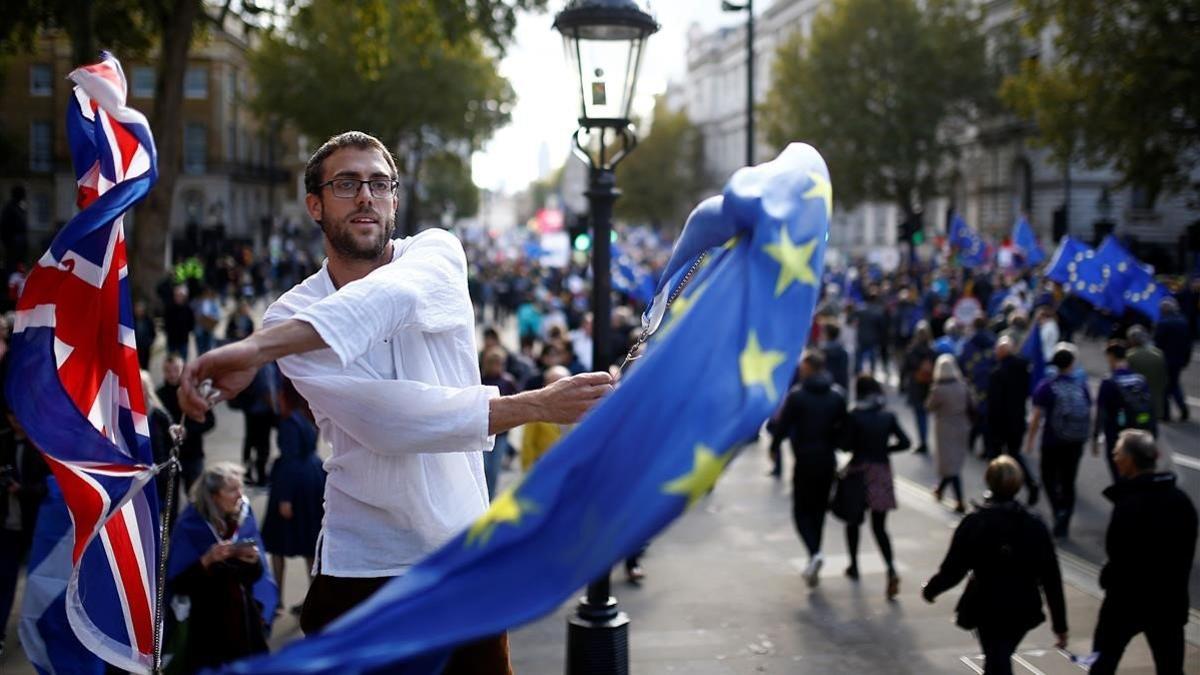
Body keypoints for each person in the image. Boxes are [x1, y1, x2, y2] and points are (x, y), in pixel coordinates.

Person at [177, 131, 612, 673]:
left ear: (395, 200)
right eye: (346, 184)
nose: (366, 196)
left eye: (379, 184)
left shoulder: (436, 253)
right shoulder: (288, 313)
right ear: (315, 205)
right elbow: (389, 424)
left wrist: (256, 350)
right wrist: (534, 405)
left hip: (461, 555)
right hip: (363, 565)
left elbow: (390, 299)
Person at [922, 457, 1068, 675]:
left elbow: (954, 568)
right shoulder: (1034, 524)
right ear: (1018, 485)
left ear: (988, 481)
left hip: (986, 603)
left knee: (996, 656)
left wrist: (932, 589)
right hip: (1023, 604)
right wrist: (1060, 625)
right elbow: (1051, 576)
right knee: (999, 655)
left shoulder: (975, 522)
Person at [1089, 430, 1197, 674]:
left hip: (1126, 600)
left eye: (1117, 453)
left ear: (1129, 459)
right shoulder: (1181, 501)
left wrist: (1108, 579)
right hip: (1169, 601)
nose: (1114, 458)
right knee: (1170, 667)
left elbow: (1118, 554)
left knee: (1103, 661)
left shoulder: (1129, 505)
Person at [165, 463, 277, 671]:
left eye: (240, 488)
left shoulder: (242, 517)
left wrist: (252, 561)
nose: (240, 495)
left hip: (244, 623)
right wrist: (206, 560)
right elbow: (179, 584)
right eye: (232, 490)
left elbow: (255, 576)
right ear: (215, 496)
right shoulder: (190, 526)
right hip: (206, 627)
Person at [771, 349, 847, 587]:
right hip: (827, 460)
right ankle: (815, 554)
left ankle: (814, 553)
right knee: (818, 511)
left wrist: (774, 446)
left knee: (800, 511)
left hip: (805, 459)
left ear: (810, 368)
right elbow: (844, 427)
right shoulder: (837, 395)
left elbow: (782, 427)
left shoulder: (798, 395)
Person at [840, 373, 910, 600]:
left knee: (853, 521)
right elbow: (906, 442)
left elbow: (845, 445)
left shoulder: (855, 415)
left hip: (859, 472)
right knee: (880, 527)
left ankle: (854, 565)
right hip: (881, 472)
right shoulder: (887, 415)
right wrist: (885, 450)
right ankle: (890, 568)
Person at [261, 379, 325, 615]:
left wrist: (285, 497)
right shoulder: (308, 413)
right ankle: (313, 598)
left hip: (292, 484)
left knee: (278, 544)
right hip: (313, 478)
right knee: (310, 544)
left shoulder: (289, 422)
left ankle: (277, 599)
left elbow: (289, 460)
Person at [0, 411, 49, 658]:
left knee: (36, 581)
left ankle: (34, 630)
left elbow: (47, 486)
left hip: (33, 526)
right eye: (11, 417)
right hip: (8, 526)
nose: (15, 421)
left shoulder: (38, 444)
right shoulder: (5, 441)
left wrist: (22, 490)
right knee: (6, 581)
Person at [1025, 345, 1089, 536]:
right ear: (1072, 364)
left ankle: (1057, 510)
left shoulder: (1047, 386)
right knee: (1069, 481)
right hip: (1075, 442)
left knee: (1048, 477)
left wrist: (1030, 440)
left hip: (1052, 441)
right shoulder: (1081, 386)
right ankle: (1065, 520)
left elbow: (1036, 416)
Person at [1092, 340, 1155, 483]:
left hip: (1117, 435)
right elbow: (1150, 407)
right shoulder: (1140, 379)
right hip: (1140, 433)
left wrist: (1095, 438)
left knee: (1120, 475)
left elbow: (1101, 412)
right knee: (1139, 474)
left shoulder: (1109, 382)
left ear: (1111, 357)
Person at [158, 353, 216, 491]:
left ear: (183, 369)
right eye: (168, 370)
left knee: (196, 497)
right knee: (170, 502)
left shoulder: (194, 392)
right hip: (169, 456)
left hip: (193, 455)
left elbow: (210, 421)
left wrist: (188, 431)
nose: (172, 374)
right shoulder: (159, 396)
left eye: (176, 370)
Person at [926, 354, 970, 513]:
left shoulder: (938, 389)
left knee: (950, 466)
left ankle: (959, 500)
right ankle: (940, 490)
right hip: (961, 426)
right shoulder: (962, 385)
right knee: (953, 463)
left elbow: (929, 406)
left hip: (944, 428)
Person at [480, 346, 518, 495]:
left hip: (501, 434)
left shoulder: (508, 381)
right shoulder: (482, 380)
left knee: (495, 469)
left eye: (499, 363)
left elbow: (515, 401)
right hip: (484, 431)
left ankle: (491, 499)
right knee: (484, 468)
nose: (497, 366)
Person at [519, 365, 571, 471]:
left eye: (564, 384)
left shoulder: (578, 409)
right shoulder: (536, 410)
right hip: (543, 469)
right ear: (546, 385)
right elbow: (527, 443)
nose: (560, 388)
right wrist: (528, 473)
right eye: (555, 383)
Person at [1154, 298, 1192, 422]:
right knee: (1175, 385)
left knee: (1165, 386)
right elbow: (1188, 343)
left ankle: (1165, 414)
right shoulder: (1183, 322)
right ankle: (1183, 409)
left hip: (1165, 359)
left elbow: (1158, 344)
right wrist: (1186, 359)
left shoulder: (1163, 324)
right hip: (1179, 359)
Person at [901, 322, 936, 454]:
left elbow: (905, 368)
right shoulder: (933, 351)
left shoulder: (912, 350)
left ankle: (923, 441)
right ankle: (924, 440)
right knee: (925, 414)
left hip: (915, 387)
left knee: (920, 415)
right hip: (929, 386)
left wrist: (902, 385)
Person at [1125, 325, 1167, 422]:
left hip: (1138, 399)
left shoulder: (1130, 355)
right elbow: (1164, 377)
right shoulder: (1158, 353)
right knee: (1152, 421)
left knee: (1141, 421)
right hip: (1155, 395)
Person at [163, 285, 195, 359]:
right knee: (171, 361)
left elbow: (191, 323)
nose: (178, 297)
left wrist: (187, 330)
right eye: (176, 295)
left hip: (183, 340)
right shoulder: (169, 308)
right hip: (172, 340)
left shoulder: (188, 309)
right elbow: (166, 323)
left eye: (180, 295)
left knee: (183, 362)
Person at [822, 322, 850, 393]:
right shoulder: (843, 352)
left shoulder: (819, 351)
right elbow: (844, 374)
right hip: (839, 388)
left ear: (827, 334)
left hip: (823, 387)